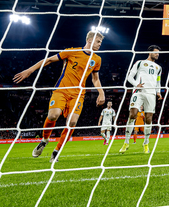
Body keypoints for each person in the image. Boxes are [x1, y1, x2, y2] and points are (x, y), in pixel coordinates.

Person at [14, 31, 105, 163]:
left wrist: (101, 92)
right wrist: (30, 70)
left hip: (78, 94)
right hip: (61, 90)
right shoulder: (71, 52)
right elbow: (50, 60)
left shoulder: (97, 59)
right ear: (90, 41)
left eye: (100, 42)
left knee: (72, 123)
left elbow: (95, 78)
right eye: (98, 42)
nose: (100, 44)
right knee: (53, 115)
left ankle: (56, 151)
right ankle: (44, 140)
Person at [120, 45, 163, 154]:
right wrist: (136, 84)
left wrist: (158, 92)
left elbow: (158, 81)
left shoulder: (159, 68)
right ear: (149, 53)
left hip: (151, 93)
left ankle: (146, 143)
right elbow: (130, 76)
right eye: (156, 52)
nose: (157, 54)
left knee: (148, 119)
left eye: (158, 53)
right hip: (138, 92)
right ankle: (126, 142)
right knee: (132, 115)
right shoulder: (139, 63)